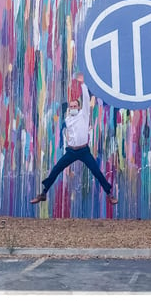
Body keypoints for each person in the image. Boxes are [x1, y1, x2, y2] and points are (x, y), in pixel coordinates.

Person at [31, 74, 117, 205]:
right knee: (56, 170)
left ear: (79, 107)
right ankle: (43, 193)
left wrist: (83, 84)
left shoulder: (84, 115)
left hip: (84, 151)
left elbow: (87, 100)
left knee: (96, 172)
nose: (73, 108)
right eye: (71, 106)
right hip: (71, 152)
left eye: (75, 106)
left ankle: (109, 194)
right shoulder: (68, 119)